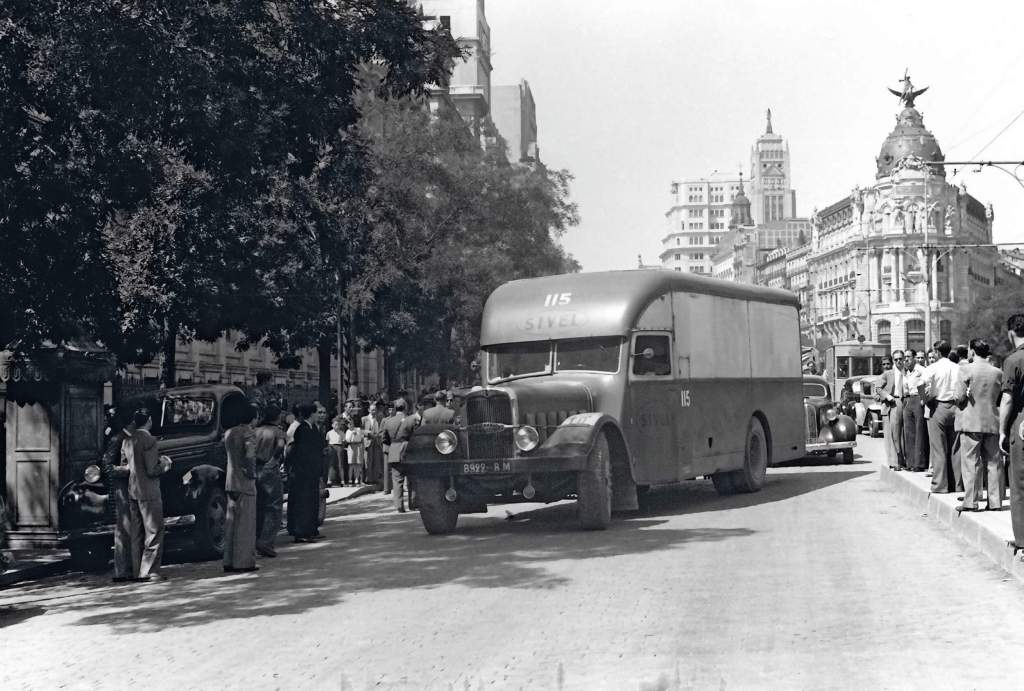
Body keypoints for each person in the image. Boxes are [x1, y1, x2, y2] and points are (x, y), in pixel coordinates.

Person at [122, 409, 171, 582]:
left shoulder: (127, 440)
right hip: (149, 490)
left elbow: (125, 466)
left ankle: (138, 570)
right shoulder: (150, 440)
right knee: (154, 530)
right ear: (149, 420)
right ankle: (149, 571)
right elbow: (151, 469)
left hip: (133, 489)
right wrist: (165, 465)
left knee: (137, 532)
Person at [955, 339, 1003, 512]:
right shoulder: (997, 372)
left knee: (971, 463)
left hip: (970, 421)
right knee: (993, 463)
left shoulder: (965, 369)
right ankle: (995, 502)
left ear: (973, 351)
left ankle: (971, 502)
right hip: (992, 421)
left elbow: (959, 397)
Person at [223, 402, 259, 573]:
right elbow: (250, 456)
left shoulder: (229, 432)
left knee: (231, 522)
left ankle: (228, 560)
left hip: (231, 480)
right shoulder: (248, 433)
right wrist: (251, 473)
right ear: (252, 418)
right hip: (245, 482)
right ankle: (243, 561)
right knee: (246, 523)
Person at [922, 340, 962, 494]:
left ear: (938, 352)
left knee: (938, 448)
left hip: (938, 406)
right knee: (955, 448)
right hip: (955, 407)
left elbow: (921, 385)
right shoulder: (957, 367)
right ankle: (957, 484)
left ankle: (940, 484)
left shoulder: (932, 368)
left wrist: (925, 400)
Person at [999, 314, 1024, 550]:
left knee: (1019, 483)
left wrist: (1002, 432)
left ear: (1010, 333)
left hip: (1021, 421)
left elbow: (1007, 399)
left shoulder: (1013, 360)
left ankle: (1022, 539)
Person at [102, 415, 135, 582]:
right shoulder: (118, 439)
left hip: (129, 486)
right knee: (123, 528)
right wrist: (126, 469)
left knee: (129, 528)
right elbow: (107, 466)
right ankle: (122, 570)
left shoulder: (129, 438)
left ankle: (129, 567)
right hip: (120, 487)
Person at [286, 403, 324, 542]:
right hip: (304, 472)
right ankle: (301, 532)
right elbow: (303, 453)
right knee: (303, 502)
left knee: (312, 501)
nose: (319, 415)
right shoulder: (302, 429)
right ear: (311, 414)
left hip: (312, 472)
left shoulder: (312, 428)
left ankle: (311, 529)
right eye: (317, 412)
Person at [253, 404, 285, 558]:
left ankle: (256, 539)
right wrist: (273, 460)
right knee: (274, 506)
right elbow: (280, 446)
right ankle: (266, 542)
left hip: (255, 468)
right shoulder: (277, 431)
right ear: (277, 417)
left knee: (259, 505)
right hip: (269, 468)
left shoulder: (256, 430)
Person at [875, 352, 905, 471]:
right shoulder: (886, 375)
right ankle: (894, 461)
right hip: (890, 405)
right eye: (896, 359)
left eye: (900, 359)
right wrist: (887, 396)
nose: (899, 361)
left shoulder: (905, 372)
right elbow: (878, 389)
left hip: (903, 403)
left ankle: (901, 460)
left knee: (900, 434)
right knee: (891, 435)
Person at [902, 350, 929, 472]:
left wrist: (923, 398)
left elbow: (928, 384)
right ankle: (910, 462)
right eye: (905, 357)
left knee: (919, 432)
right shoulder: (907, 371)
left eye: (908, 357)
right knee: (909, 432)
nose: (906, 359)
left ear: (914, 358)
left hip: (918, 399)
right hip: (909, 399)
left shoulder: (921, 370)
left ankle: (919, 463)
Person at [382, 399, 409, 512]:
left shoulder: (388, 422)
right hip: (408, 450)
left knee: (397, 480)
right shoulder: (410, 419)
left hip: (394, 451)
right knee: (411, 478)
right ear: (405, 407)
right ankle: (413, 502)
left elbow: (384, 438)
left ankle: (399, 505)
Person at [363, 400, 386, 487]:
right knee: (368, 461)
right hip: (368, 442)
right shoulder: (364, 419)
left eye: (375, 410)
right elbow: (360, 430)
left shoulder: (378, 419)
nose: (374, 411)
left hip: (376, 442)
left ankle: (375, 478)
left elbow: (381, 429)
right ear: (369, 410)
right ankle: (368, 479)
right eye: (372, 410)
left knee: (376, 460)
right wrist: (367, 432)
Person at [326, 416, 348, 486]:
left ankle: (342, 481)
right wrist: (329, 448)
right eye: (335, 424)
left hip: (339, 447)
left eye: (338, 424)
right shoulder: (329, 433)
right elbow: (327, 441)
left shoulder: (341, 433)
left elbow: (344, 441)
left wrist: (342, 448)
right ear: (332, 425)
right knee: (331, 464)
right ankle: (329, 480)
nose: (337, 426)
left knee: (340, 464)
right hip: (331, 447)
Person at [346, 416, 366, 486]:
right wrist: (352, 434)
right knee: (351, 464)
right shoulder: (348, 431)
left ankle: (357, 479)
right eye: (349, 424)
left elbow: (361, 438)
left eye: (351, 423)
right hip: (351, 447)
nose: (350, 425)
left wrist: (356, 434)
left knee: (357, 464)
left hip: (358, 446)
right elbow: (348, 440)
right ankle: (350, 480)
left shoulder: (358, 429)